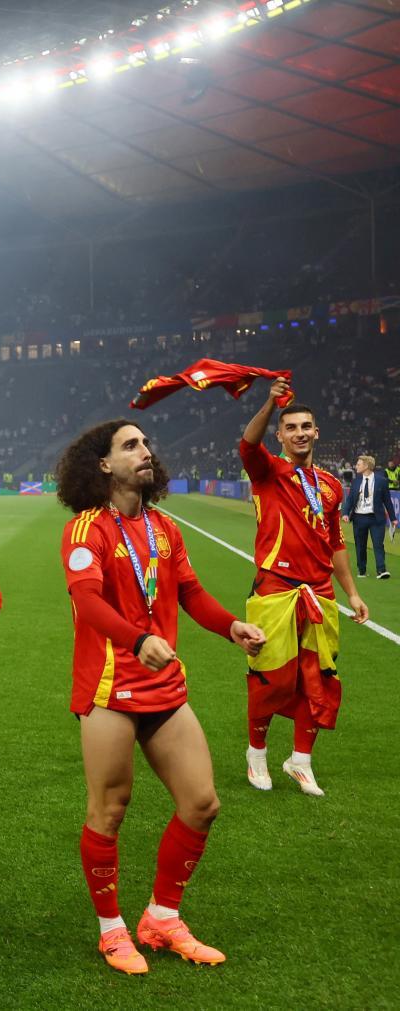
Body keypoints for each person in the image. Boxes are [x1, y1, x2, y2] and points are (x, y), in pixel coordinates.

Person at [57, 419, 265, 975]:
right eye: (130, 445)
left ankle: (162, 918)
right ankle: (111, 931)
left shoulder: (163, 528)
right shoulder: (86, 530)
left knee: (202, 803)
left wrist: (231, 628)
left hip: (163, 685)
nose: (145, 451)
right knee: (110, 810)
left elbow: (191, 593)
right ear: (102, 465)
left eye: (146, 443)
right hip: (109, 688)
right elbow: (89, 601)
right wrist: (138, 638)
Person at [240, 379, 367, 795]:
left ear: (316, 432)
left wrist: (351, 592)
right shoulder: (267, 471)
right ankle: (256, 753)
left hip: (320, 594)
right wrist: (269, 403)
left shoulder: (331, 485)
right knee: (271, 678)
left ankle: (301, 761)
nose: (299, 433)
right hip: (276, 589)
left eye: (305, 427)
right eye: (290, 427)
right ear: (280, 435)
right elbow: (247, 444)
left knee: (319, 680)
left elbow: (335, 544)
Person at [343, 454, 393, 579]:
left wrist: (394, 519)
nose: (356, 466)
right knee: (360, 545)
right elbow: (349, 500)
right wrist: (345, 513)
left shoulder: (381, 481)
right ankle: (362, 570)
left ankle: (381, 570)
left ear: (366, 466)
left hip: (376, 518)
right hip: (359, 518)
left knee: (378, 544)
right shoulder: (356, 482)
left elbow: (387, 501)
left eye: (359, 464)